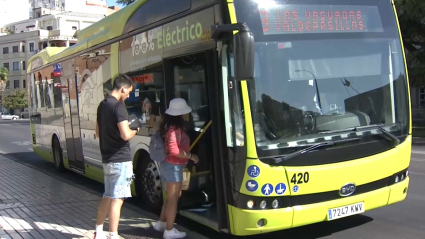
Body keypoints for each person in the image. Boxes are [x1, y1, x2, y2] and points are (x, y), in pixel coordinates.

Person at [94, 74, 140, 239]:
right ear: (123, 89)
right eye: (128, 92)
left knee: (108, 195)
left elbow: (97, 132)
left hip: (107, 159)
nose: (128, 96)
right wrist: (136, 129)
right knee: (117, 199)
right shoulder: (119, 107)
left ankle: (98, 232)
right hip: (120, 159)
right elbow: (125, 134)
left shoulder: (102, 105)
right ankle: (113, 235)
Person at [153, 98, 199, 239]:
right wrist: (191, 156)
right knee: (173, 199)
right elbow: (174, 150)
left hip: (169, 165)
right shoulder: (174, 129)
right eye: (185, 112)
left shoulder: (168, 127)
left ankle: (161, 223)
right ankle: (169, 230)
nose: (187, 115)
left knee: (171, 197)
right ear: (180, 114)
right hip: (173, 166)